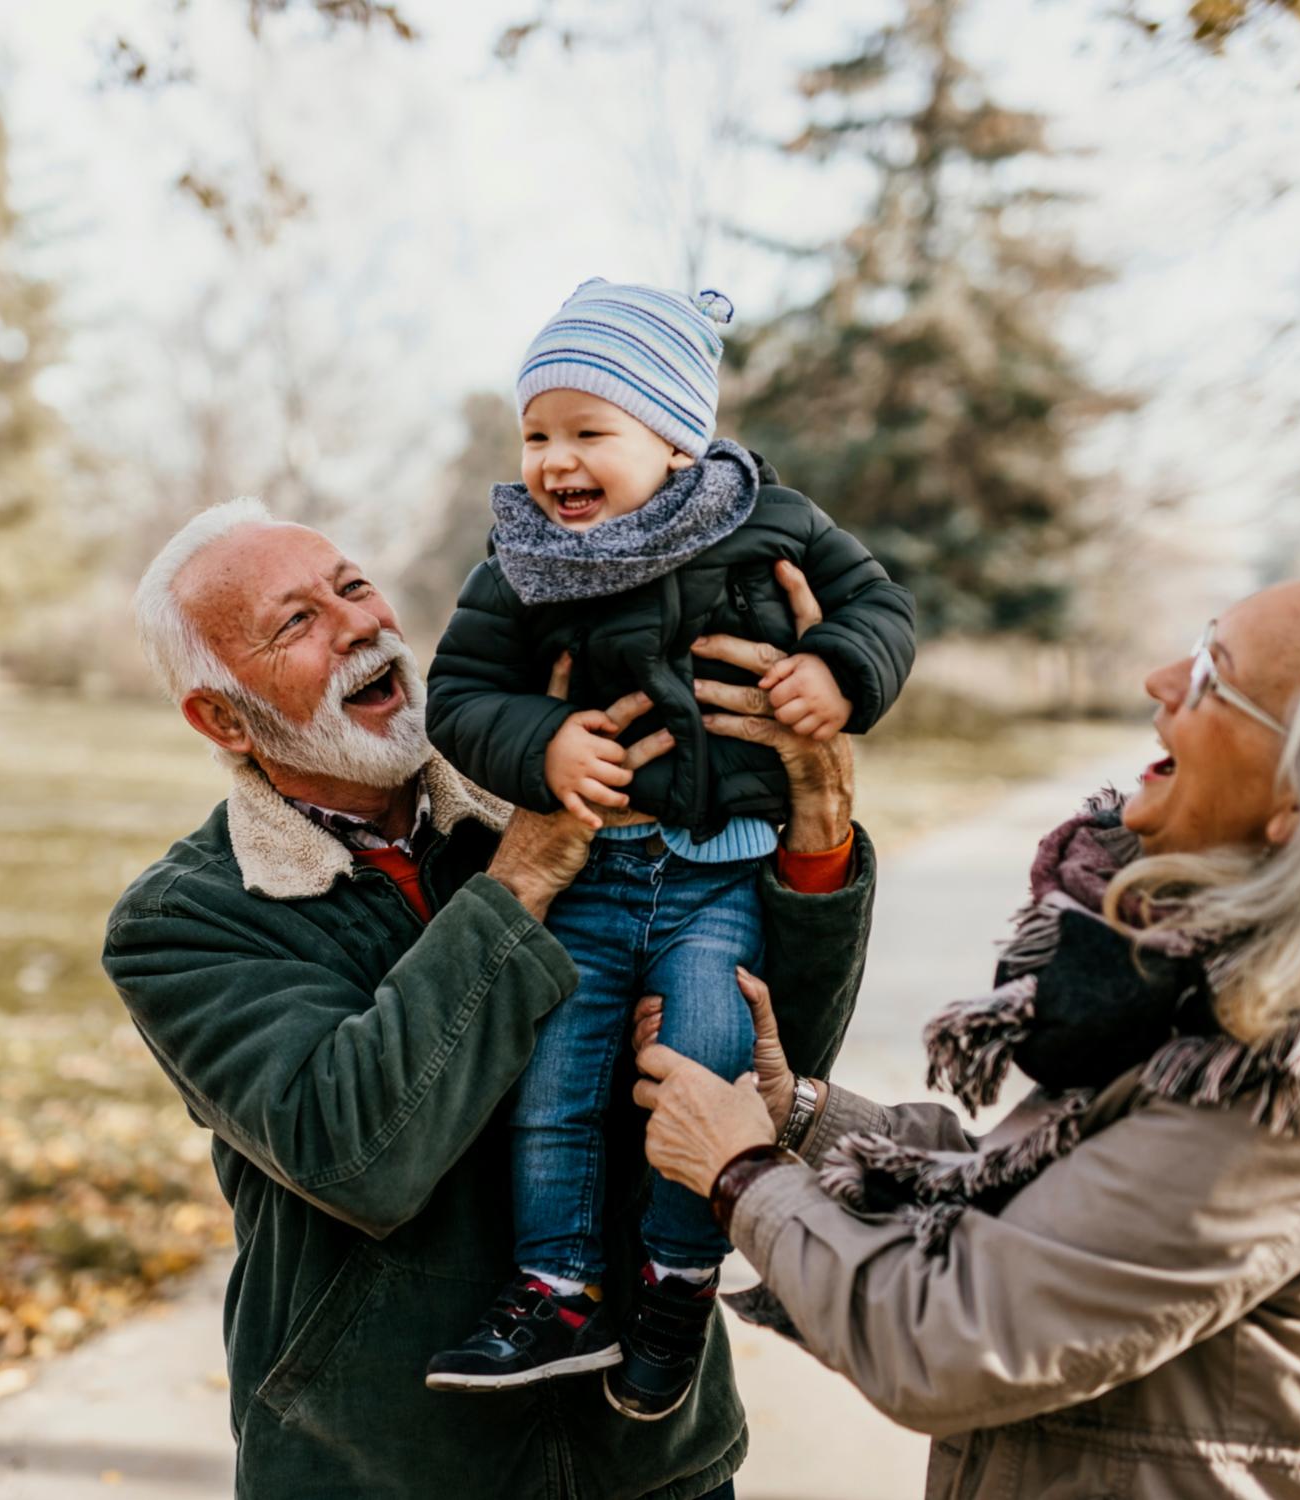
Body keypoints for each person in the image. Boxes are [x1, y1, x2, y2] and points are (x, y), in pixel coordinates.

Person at [634, 530, 1300, 1497]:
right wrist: (804, 1116)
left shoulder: (1279, 1089)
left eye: (1214, 674)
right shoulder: (1225, 1001)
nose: (1161, 679)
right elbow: (1047, 1214)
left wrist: (742, 1173)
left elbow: (951, 1335)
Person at [102, 496, 879, 1499]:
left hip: (646, 1460)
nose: (356, 626)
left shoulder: (577, 780)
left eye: (352, 587)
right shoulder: (190, 919)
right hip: (381, 1470)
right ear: (220, 717)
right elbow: (358, 1150)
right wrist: (525, 874)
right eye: (295, 622)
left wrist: (814, 823)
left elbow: (766, 1075)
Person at [424, 277, 915, 1418]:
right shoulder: (523, 563)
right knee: (555, 1080)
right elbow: (460, 693)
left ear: (676, 437)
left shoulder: (772, 524)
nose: (553, 462)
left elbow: (876, 606)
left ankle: (677, 1282)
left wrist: (835, 668)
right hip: (591, 875)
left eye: (588, 431)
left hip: (718, 875)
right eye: (535, 434)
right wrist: (541, 742)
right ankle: (555, 1286)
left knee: (701, 1075)